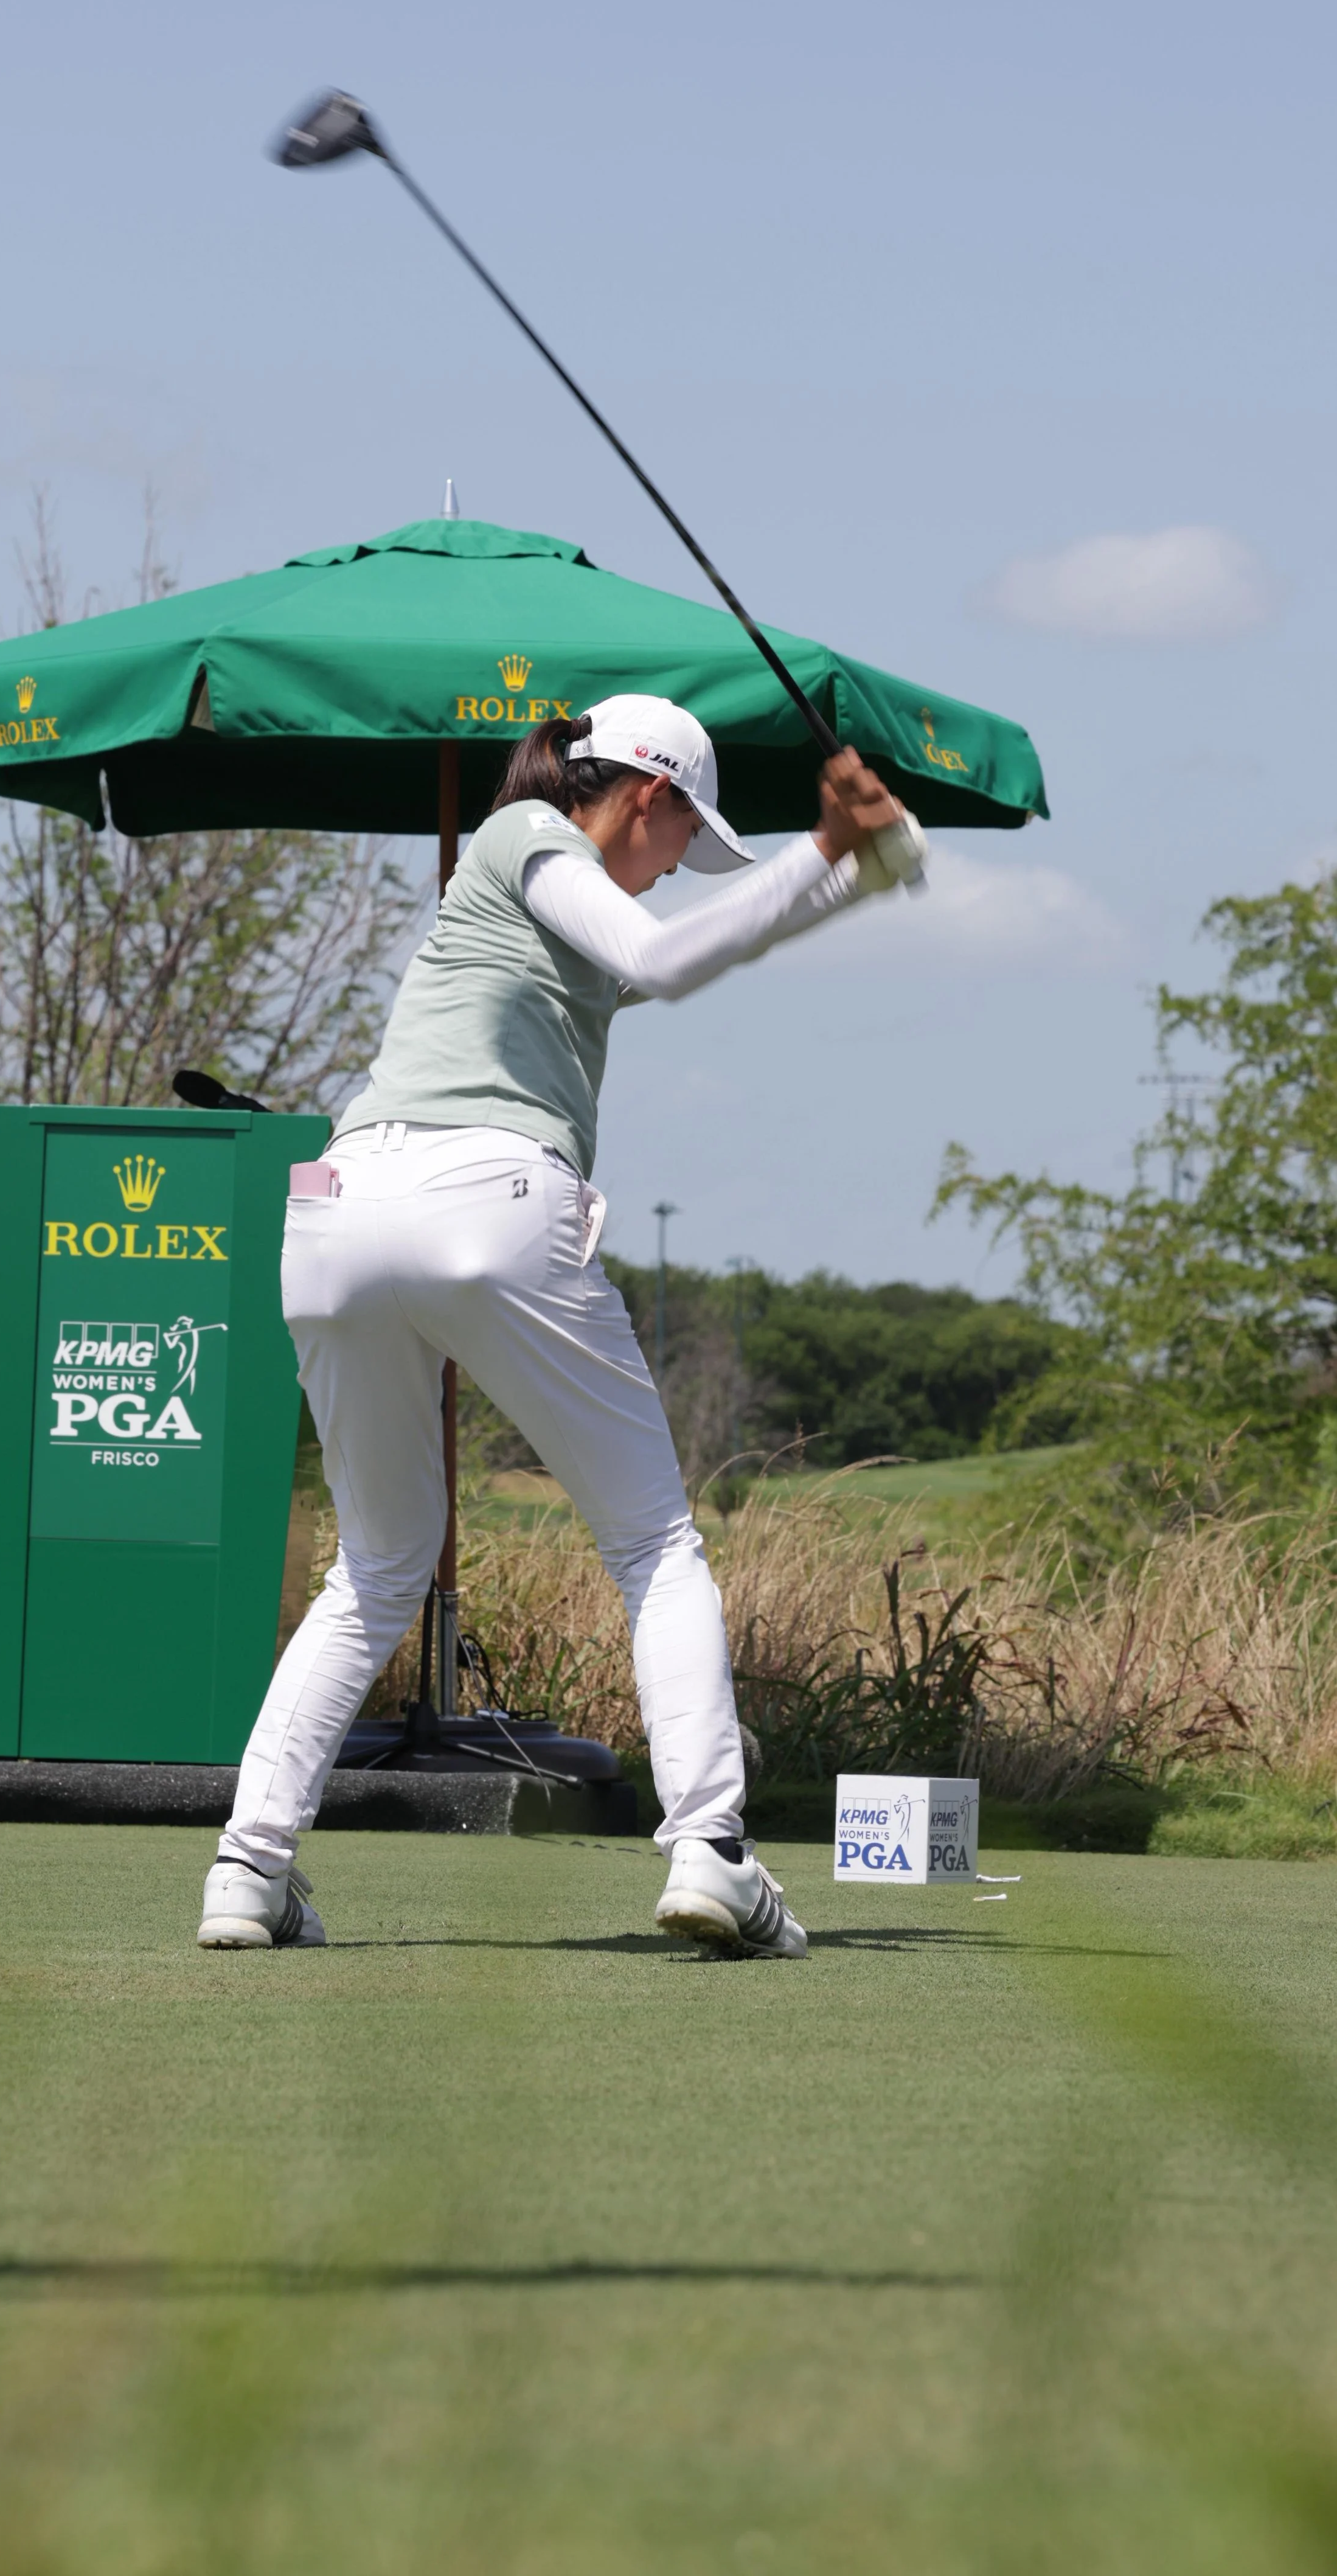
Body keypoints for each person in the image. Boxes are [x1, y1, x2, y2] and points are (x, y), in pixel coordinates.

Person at [198, 694, 922, 1957]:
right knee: (653, 1543)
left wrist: (848, 874)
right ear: (646, 795)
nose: (674, 867)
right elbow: (667, 956)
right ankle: (710, 1850)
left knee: (377, 1564)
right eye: (681, 838)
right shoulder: (524, 834)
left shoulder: (553, 922)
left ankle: (248, 1870)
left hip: (336, 1217)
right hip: (485, 1199)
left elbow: (694, 948)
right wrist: (827, 850)